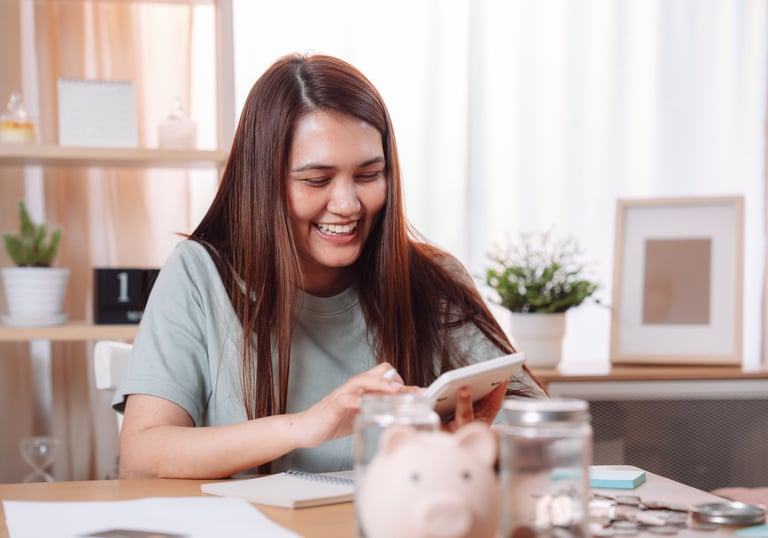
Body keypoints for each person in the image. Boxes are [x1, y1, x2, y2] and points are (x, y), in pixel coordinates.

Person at [113, 53, 547, 479]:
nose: (347, 204)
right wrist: (306, 426)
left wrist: (464, 446)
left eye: (368, 175)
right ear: (262, 182)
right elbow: (141, 456)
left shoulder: (434, 279)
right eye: (316, 180)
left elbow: (540, 429)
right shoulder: (199, 274)